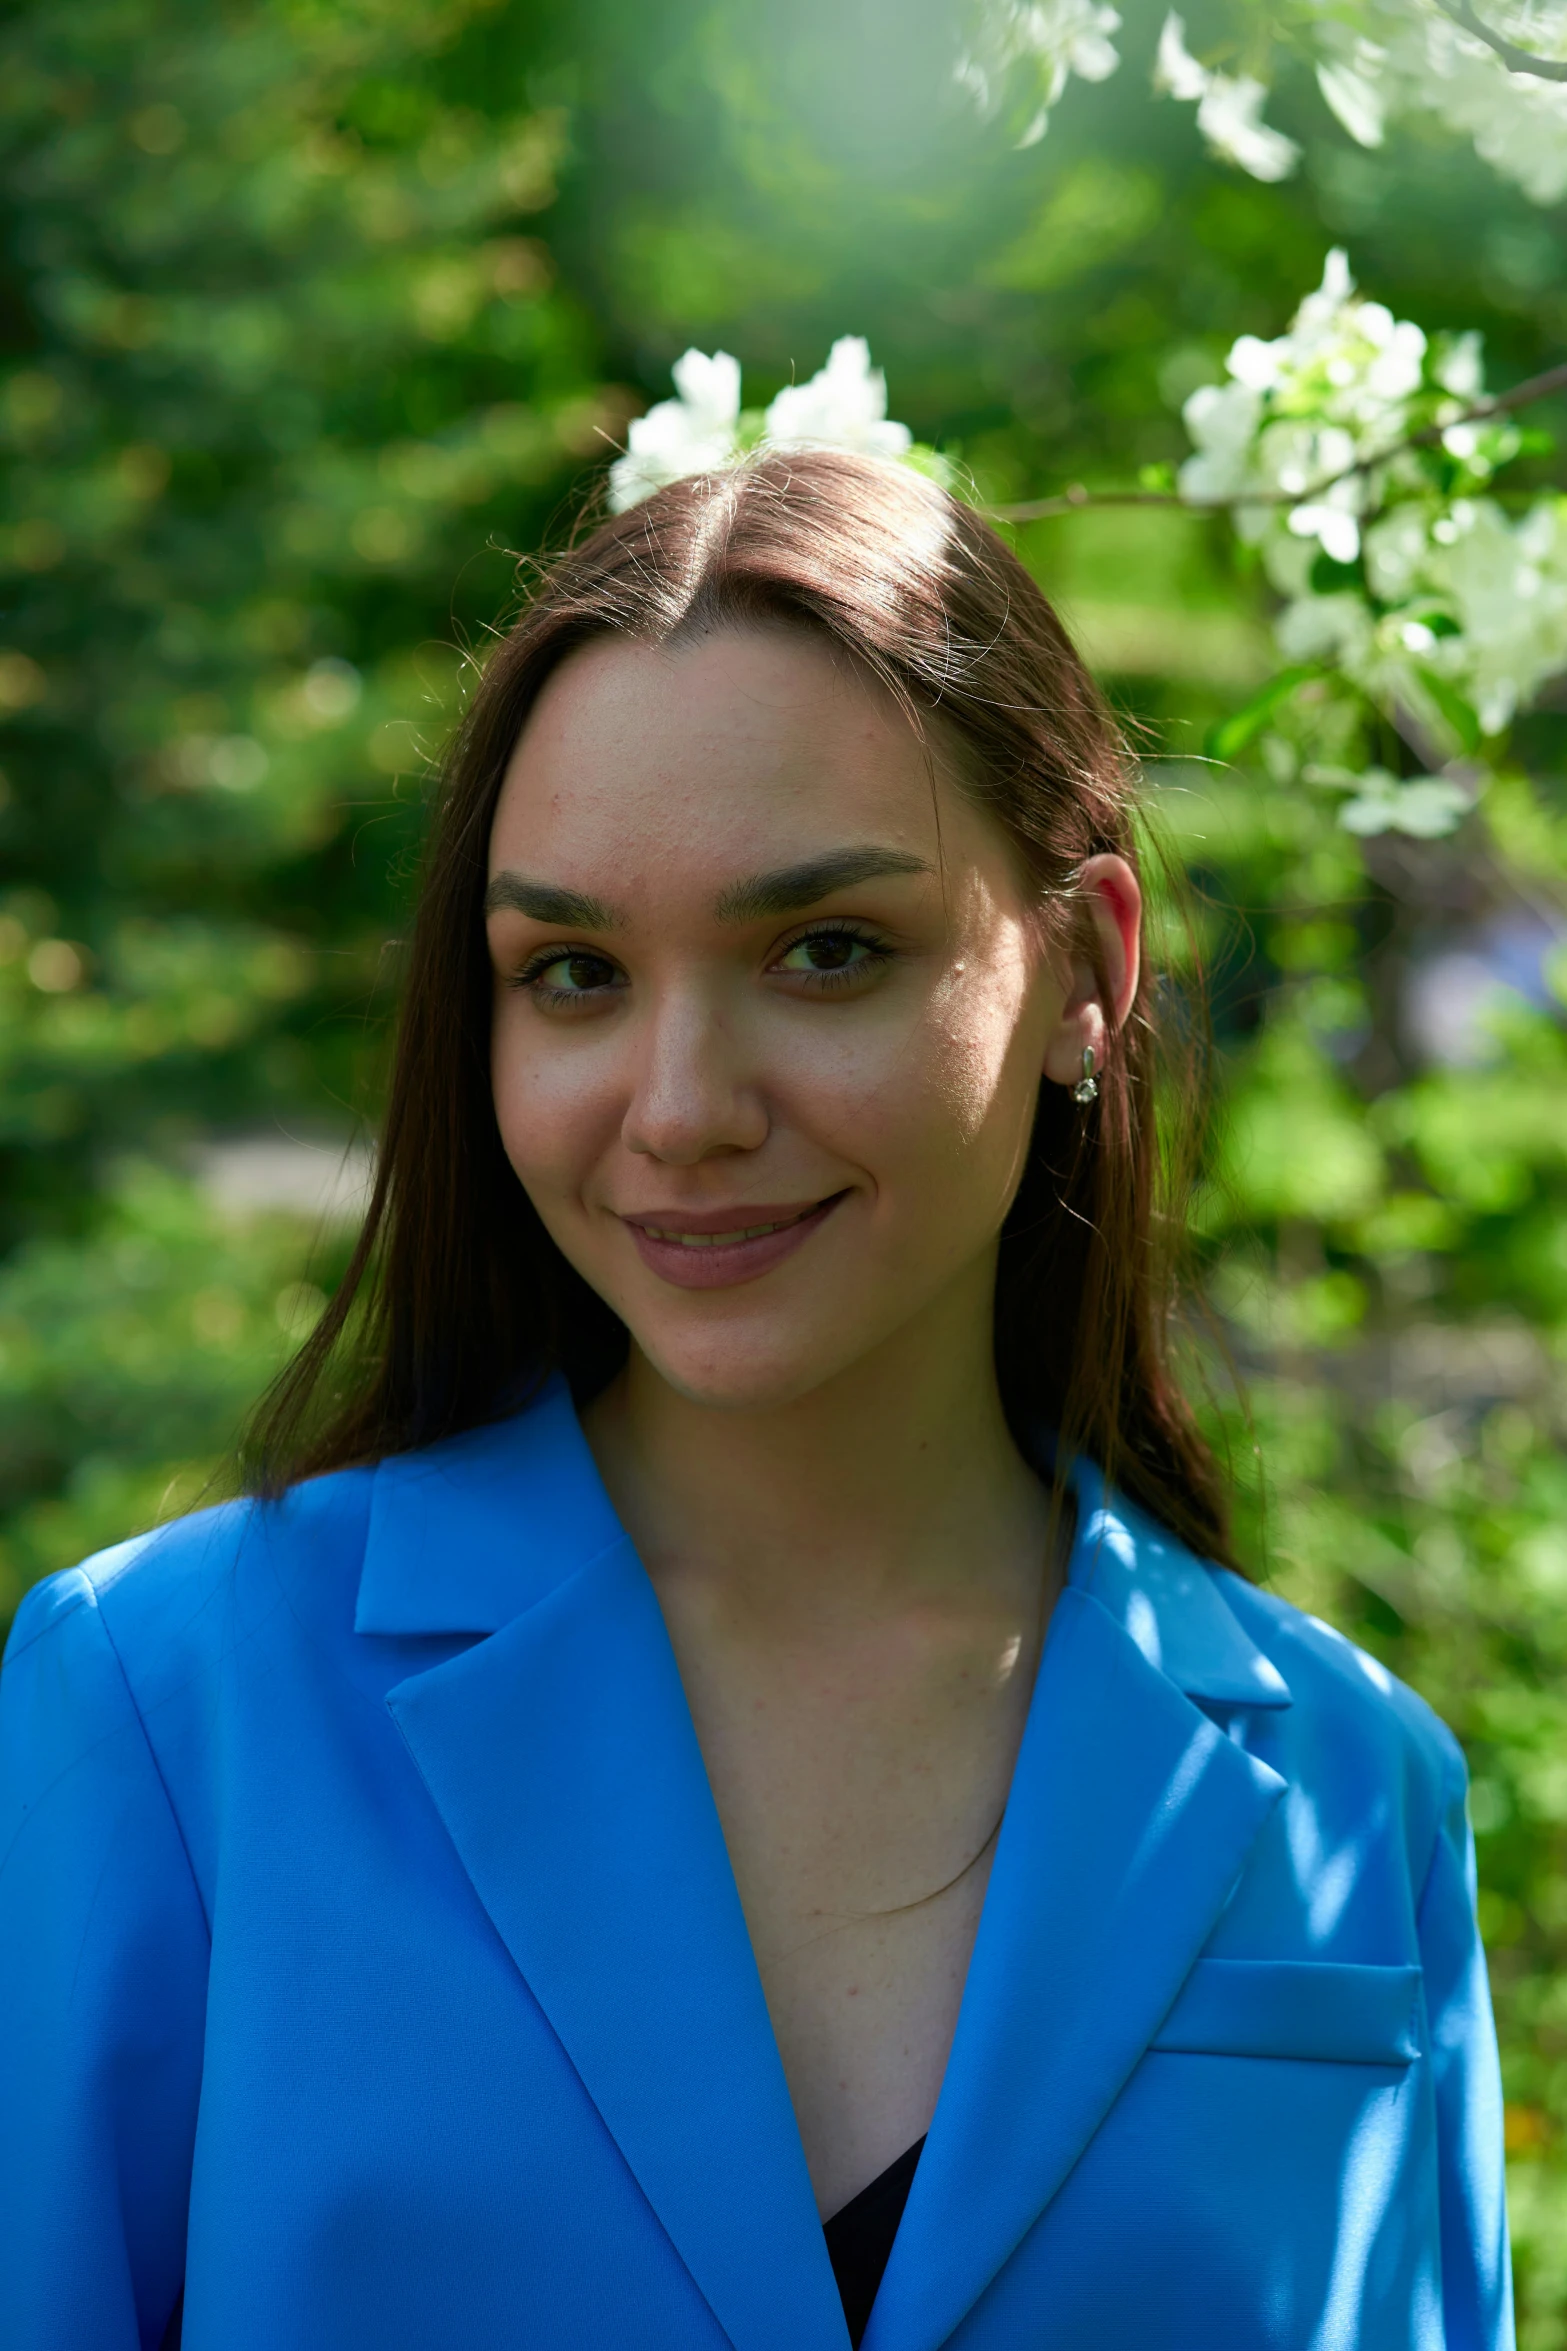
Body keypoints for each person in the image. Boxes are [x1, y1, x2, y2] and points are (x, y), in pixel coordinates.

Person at [0, 450, 1511, 2351]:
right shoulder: (168, 1706)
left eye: (825, 950)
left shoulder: (1352, 1785)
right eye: (571, 972)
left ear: (1086, 973)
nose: (680, 1105)